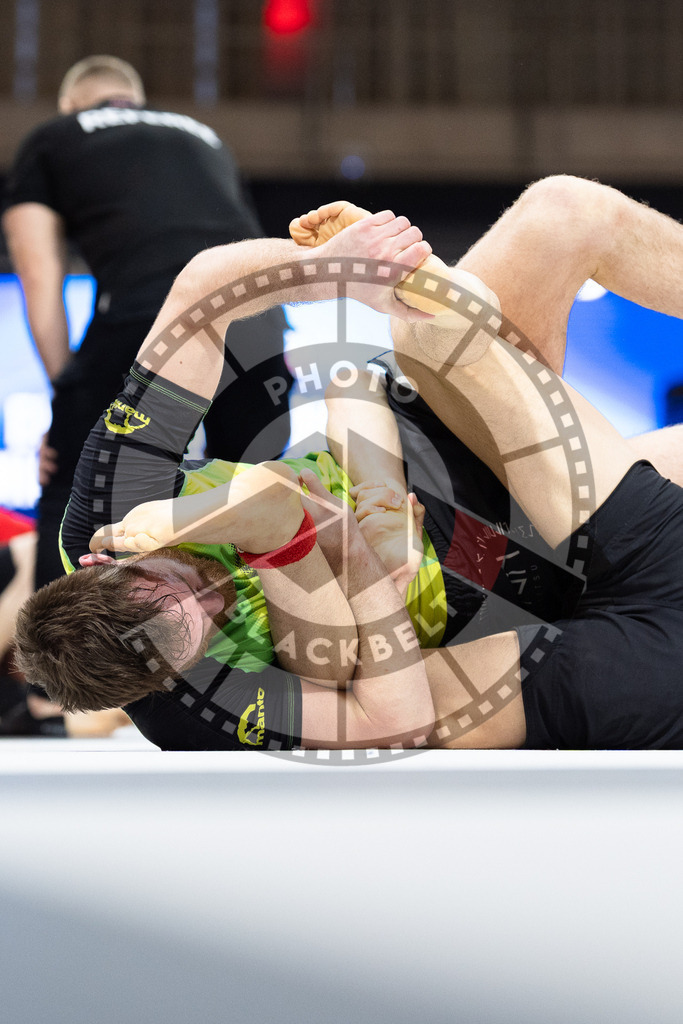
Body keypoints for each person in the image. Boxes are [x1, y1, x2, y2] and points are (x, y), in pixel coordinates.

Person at [13, 176, 683, 749]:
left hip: (434, 449)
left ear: (104, 561)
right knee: (431, 326)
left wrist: (330, 270)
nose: (214, 596)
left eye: (177, 585)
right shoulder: (185, 710)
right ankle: (432, 311)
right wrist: (335, 547)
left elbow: (200, 294)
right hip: (472, 585)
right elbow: (389, 719)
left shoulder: (114, 501)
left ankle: (423, 306)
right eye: (203, 627)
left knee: (561, 214)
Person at [2, 54, 292, 594]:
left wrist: (69, 401)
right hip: (259, 316)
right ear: (135, 98)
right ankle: (260, 641)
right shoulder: (204, 136)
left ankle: (56, 652)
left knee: (74, 484)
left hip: (151, 310)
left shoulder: (54, 137)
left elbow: (39, 275)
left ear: (71, 104)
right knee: (252, 494)